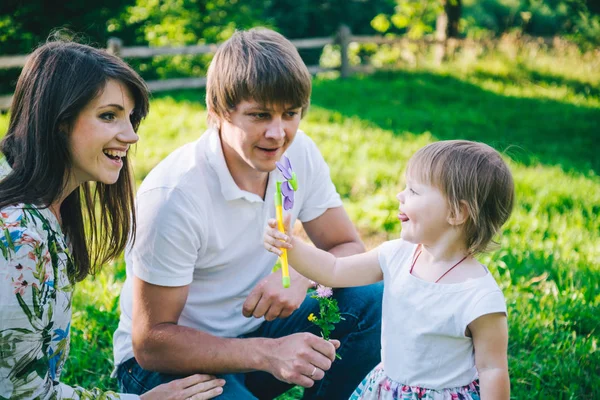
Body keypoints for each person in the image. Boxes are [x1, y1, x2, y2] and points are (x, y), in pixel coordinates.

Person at [113, 27, 383, 399]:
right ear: (217, 112)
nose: (279, 133)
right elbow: (151, 343)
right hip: (169, 364)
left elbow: (348, 247)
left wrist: (303, 274)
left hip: (257, 333)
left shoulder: (298, 153)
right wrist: (268, 354)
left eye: (291, 113)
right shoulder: (174, 195)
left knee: (371, 297)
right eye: (259, 115)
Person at [0, 39, 225, 400]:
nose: (131, 135)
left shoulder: (46, 210)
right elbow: (20, 396)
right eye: (109, 116)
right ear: (58, 120)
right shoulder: (18, 238)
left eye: (130, 118)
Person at [264, 140, 514, 399]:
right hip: (389, 389)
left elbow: (492, 369)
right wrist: (291, 246)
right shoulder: (398, 255)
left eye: (414, 191)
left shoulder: (479, 297)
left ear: (456, 212)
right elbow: (334, 269)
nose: (400, 195)